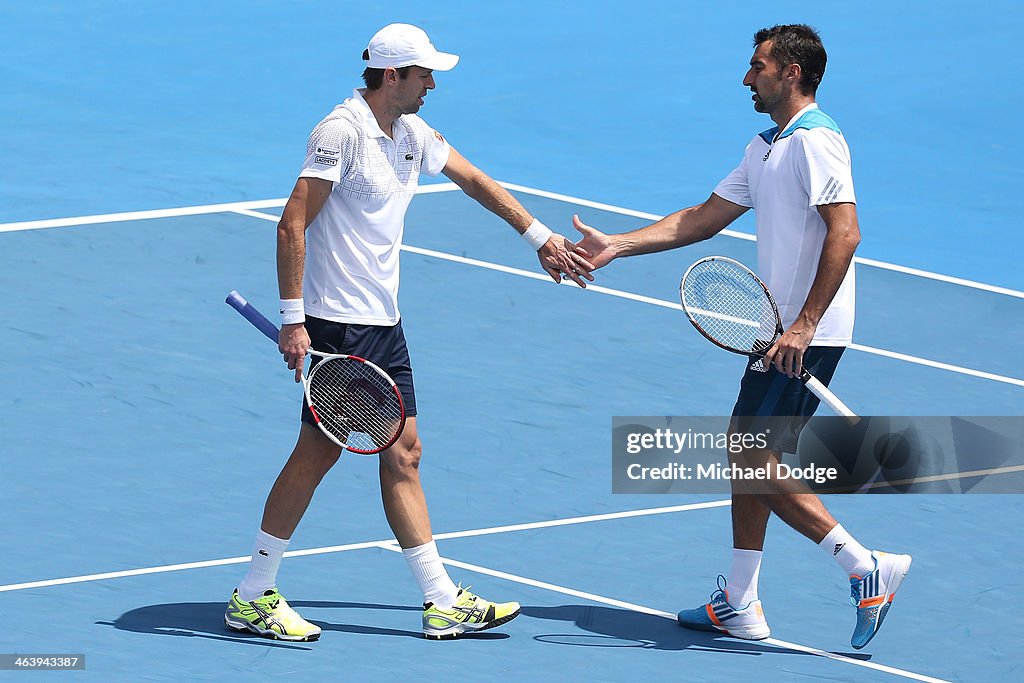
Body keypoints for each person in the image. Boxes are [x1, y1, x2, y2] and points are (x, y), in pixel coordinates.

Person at [224, 23, 594, 642]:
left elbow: (475, 180)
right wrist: (293, 321)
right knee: (317, 452)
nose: (432, 84)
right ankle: (253, 593)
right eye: (424, 74)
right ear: (392, 75)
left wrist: (543, 239)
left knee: (405, 451)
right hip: (337, 322)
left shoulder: (411, 132)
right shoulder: (339, 132)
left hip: (384, 323)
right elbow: (292, 225)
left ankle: (440, 600)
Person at [573, 24, 910, 649]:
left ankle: (865, 567)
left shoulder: (818, 142)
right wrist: (618, 245)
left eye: (758, 66)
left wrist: (805, 326)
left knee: (755, 459)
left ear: (792, 74)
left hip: (806, 332)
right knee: (743, 450)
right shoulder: (764, 148)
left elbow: (846, 233)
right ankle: (740, 600)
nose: (746, 77)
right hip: (773, 329)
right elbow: (701, 219)